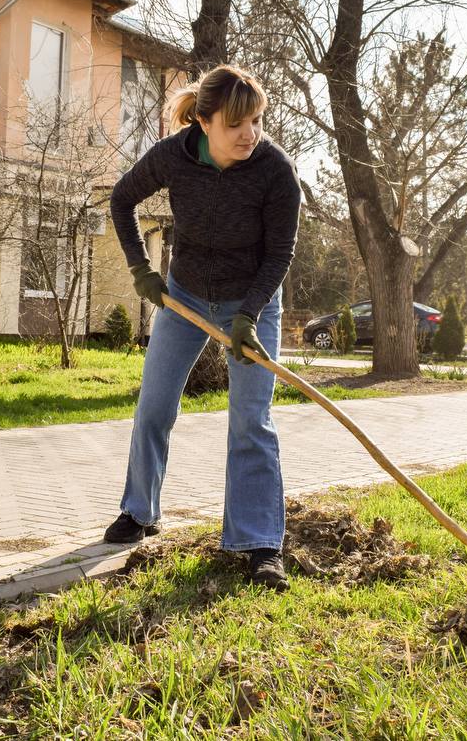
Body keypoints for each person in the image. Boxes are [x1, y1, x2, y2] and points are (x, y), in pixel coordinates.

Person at [105, 64, 302, 591]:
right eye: (237, 123)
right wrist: (140, 271)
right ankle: (140, 511)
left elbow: (280, 251)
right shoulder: (173, 155)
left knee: (251, 420)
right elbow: (121, 200)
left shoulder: (275, 171)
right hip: (186, 295)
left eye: (257, 120)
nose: (250, 134)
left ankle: (260, 542)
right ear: (205, 121)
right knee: (154, 404)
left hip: (252, 301)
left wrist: (250, 313)